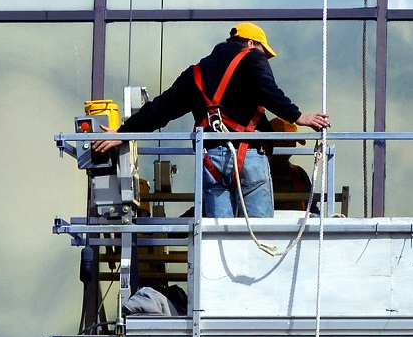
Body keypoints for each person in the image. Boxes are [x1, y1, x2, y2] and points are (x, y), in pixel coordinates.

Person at [92, 23, 330, 218]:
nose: (263, 55)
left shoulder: (196, 73)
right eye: (262, 49)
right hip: (249, 156)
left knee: (219, 237)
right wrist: (300, 117)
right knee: (259, 233)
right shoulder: (252, 58)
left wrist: (123, 133)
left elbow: (161, 108)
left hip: (211, 159)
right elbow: (267, 90)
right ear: (250, 43)